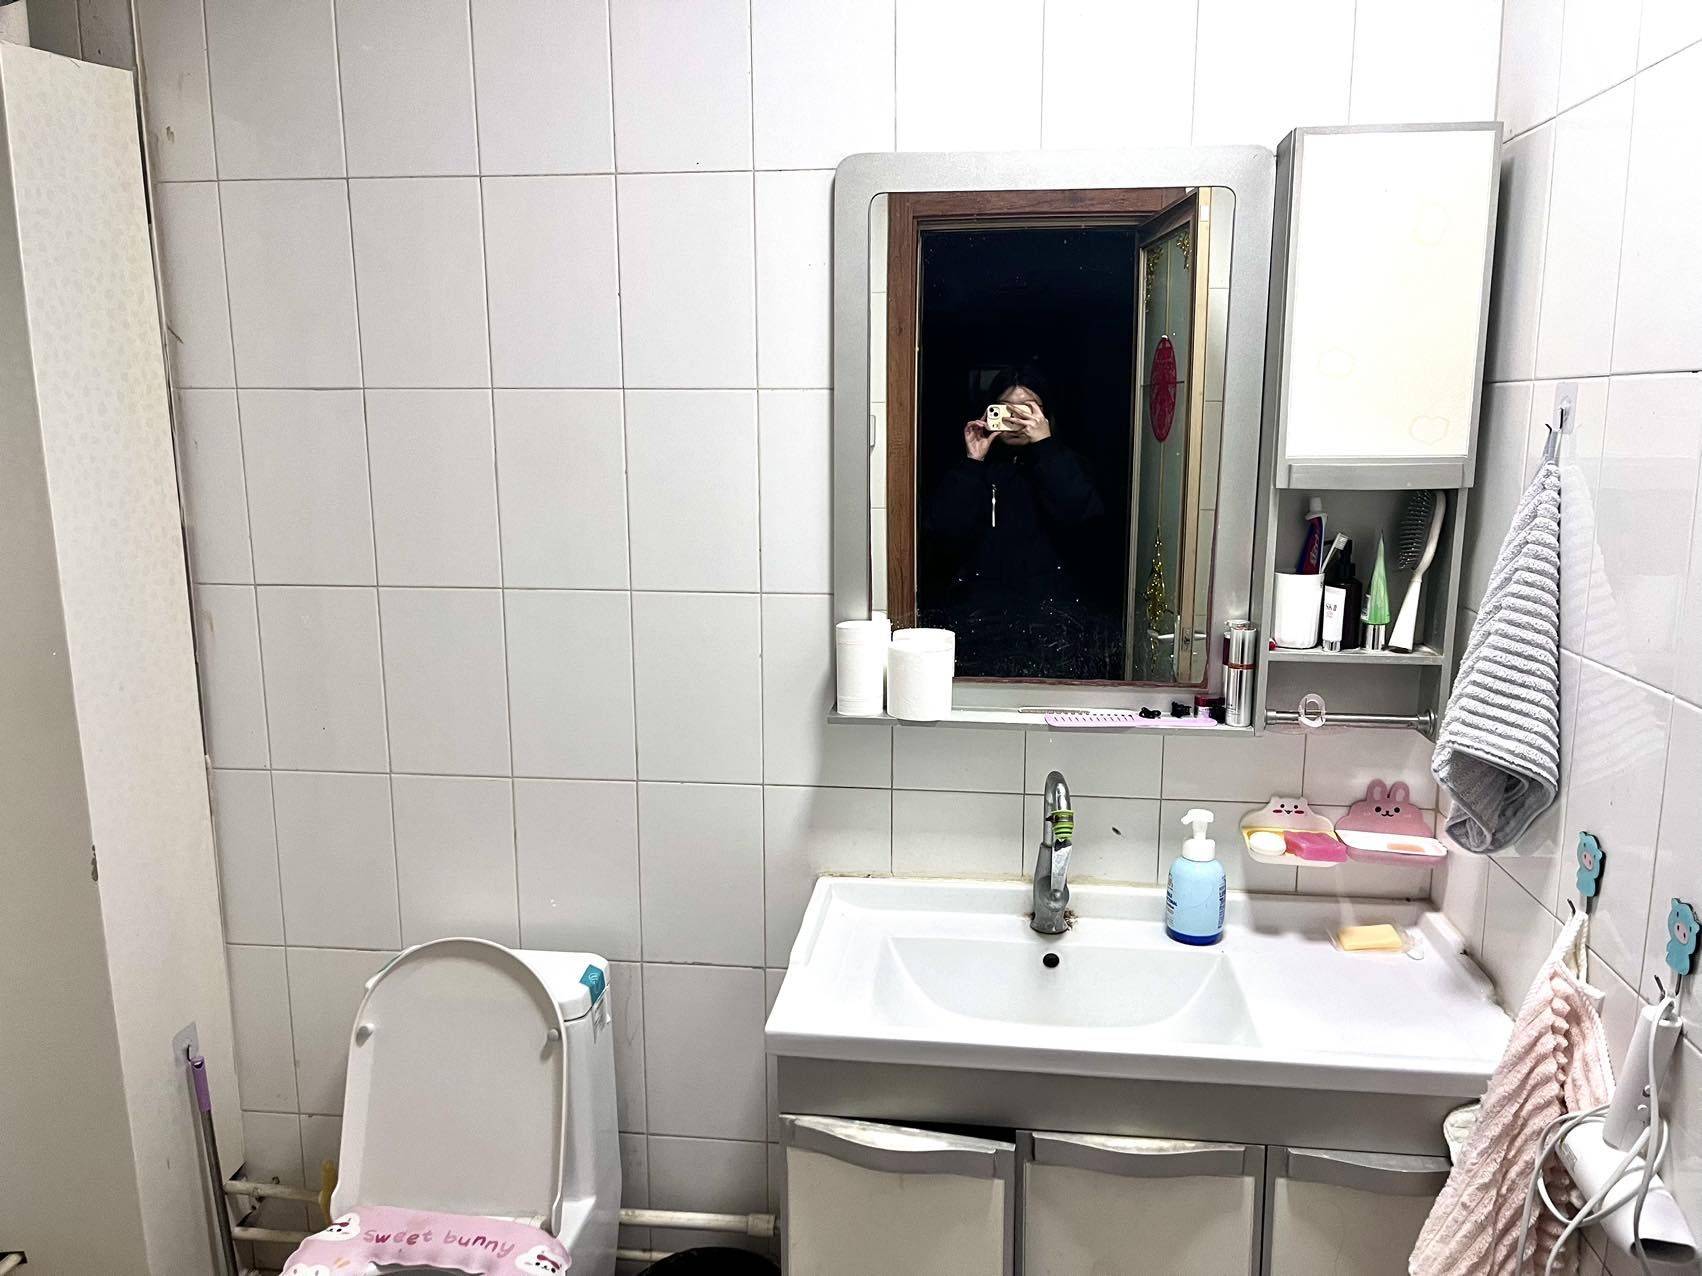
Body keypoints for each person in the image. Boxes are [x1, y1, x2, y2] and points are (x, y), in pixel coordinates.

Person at [922, 369, 1108, 677]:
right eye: (1006, 409)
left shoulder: (1065, 462)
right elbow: (944, 529)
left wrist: (1045, 446)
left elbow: (1081, 517)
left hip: (1052, 621)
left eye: (1027, 409)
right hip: (981, 621)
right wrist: (972, 461)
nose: (1016, 419)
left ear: (1045, 413)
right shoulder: (974, 467)